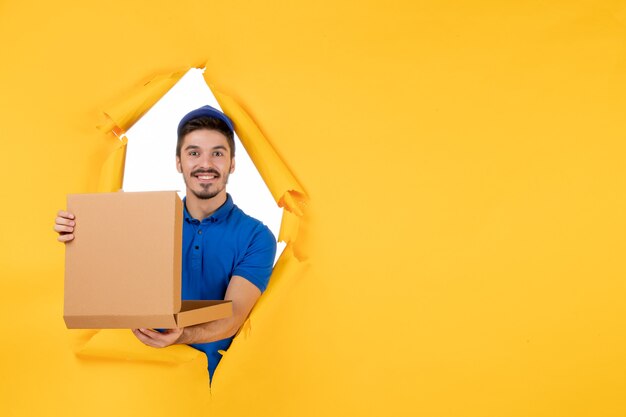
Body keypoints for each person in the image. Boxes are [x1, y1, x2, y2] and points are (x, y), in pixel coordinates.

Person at [54, 105, 277, 380]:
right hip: (146, 378)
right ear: (178, 162)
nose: (205, 164)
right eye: (194, 153)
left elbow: (234, 315)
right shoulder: (144, 222)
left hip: (216, 386)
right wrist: (81, 235)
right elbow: (110, 281)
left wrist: (184, 335)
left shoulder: (256, 236)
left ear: (232, 163)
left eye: (217, 153)